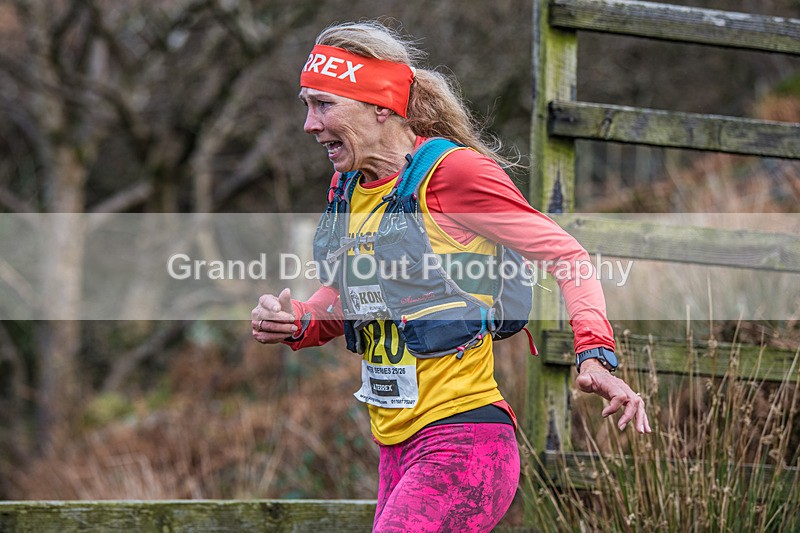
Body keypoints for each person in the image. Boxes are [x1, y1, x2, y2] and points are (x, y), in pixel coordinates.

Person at [252, 20, 651, 532]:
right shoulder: (348, 188)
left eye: (324, 105)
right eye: (306, 105)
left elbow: (568, 255)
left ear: (380, 106)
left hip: (464, 443)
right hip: (395, 450)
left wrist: (594, 354)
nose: (309, 124)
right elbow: (355, 296)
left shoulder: (455, 175)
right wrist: (299, 320)